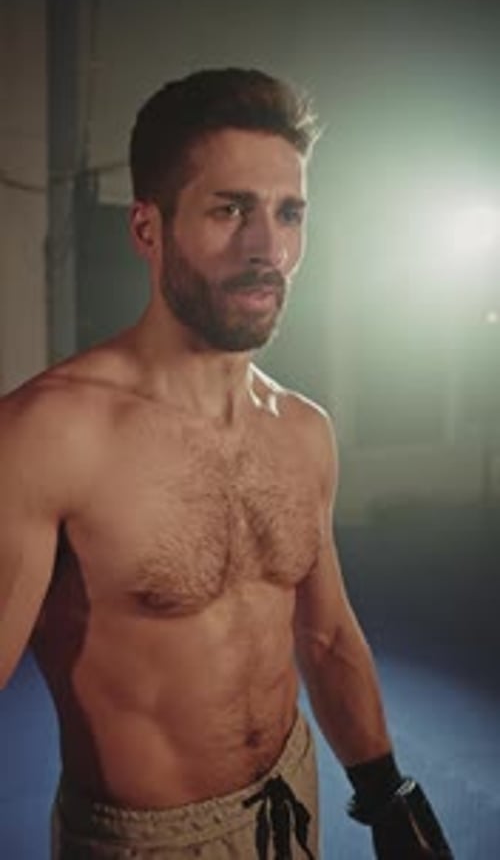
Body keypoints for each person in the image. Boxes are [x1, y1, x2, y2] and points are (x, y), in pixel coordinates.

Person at [0, 68, 453, 859]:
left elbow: (327, 637)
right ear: (148, 228)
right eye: (230, 209)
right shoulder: (50, 435)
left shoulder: (303, 429)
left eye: (288, 213)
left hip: (292, 797)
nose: (268, 247)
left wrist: (385, 794)